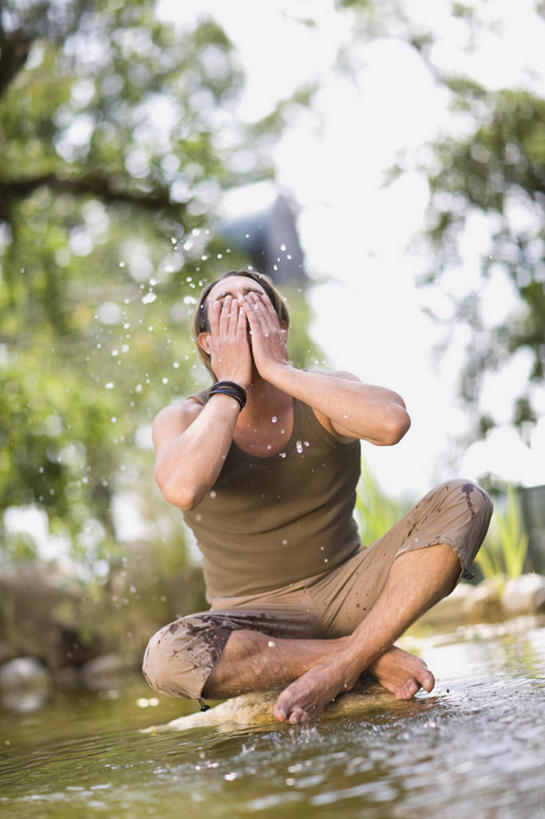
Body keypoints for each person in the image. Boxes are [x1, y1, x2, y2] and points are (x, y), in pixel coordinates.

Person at [143, 270, 492, 724]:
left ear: (280, 328)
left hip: (349, 591)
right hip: (255, 624)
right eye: (226, 303)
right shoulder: (184, 416)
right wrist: (232, 385)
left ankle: (343, 665)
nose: (243, 305)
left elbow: (392, 424)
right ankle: (365, 656)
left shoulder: (324, 392)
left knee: (466, 499)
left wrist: (278, 371)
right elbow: (183, 488)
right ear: (207, 341)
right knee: (166, 657)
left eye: (255, 297)